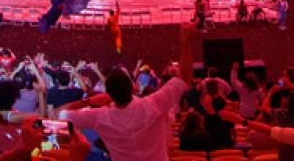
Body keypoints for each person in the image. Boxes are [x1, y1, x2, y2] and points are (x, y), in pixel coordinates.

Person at [58, 23, 195, 161]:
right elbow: (184, 78)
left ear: (109, 94)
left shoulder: (100, 117)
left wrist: (91, 100)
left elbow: (60, 115)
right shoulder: (153, 104)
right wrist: (186, 41)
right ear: (132, 87)